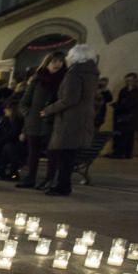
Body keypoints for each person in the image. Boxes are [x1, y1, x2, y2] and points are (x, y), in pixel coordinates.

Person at [40, 44, 100, 196]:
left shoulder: (75, 73)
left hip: (70, 119)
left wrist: (48, 110)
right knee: (69, 155)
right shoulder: (91, 73)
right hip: (82, 118)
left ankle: (62, 186)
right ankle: (63, 184)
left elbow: (69, 99)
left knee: (64, 154)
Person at [16, 50, 67, 189]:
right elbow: (24, 102)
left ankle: (49, 179)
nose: (57, 64)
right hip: (34, 122)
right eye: (54, 61)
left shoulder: (65, 81)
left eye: (60, 61)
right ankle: (30, 178)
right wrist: (28, 114)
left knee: (52, 152)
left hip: (52, 122)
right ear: (47, 63)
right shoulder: (37, 80)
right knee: (33, 152)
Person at [109, 72, 138, 159]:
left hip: (131, 116)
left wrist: (122, 107)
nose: (128, 82)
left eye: (130, 80)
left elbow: (135, 104)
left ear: (135, 81)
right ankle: (119, 152)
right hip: (122, 115)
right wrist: (117, 106)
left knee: (127, 135)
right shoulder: (124, 90)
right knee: (120, 135)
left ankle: (125, 153)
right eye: (127, 81)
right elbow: (121, 101)